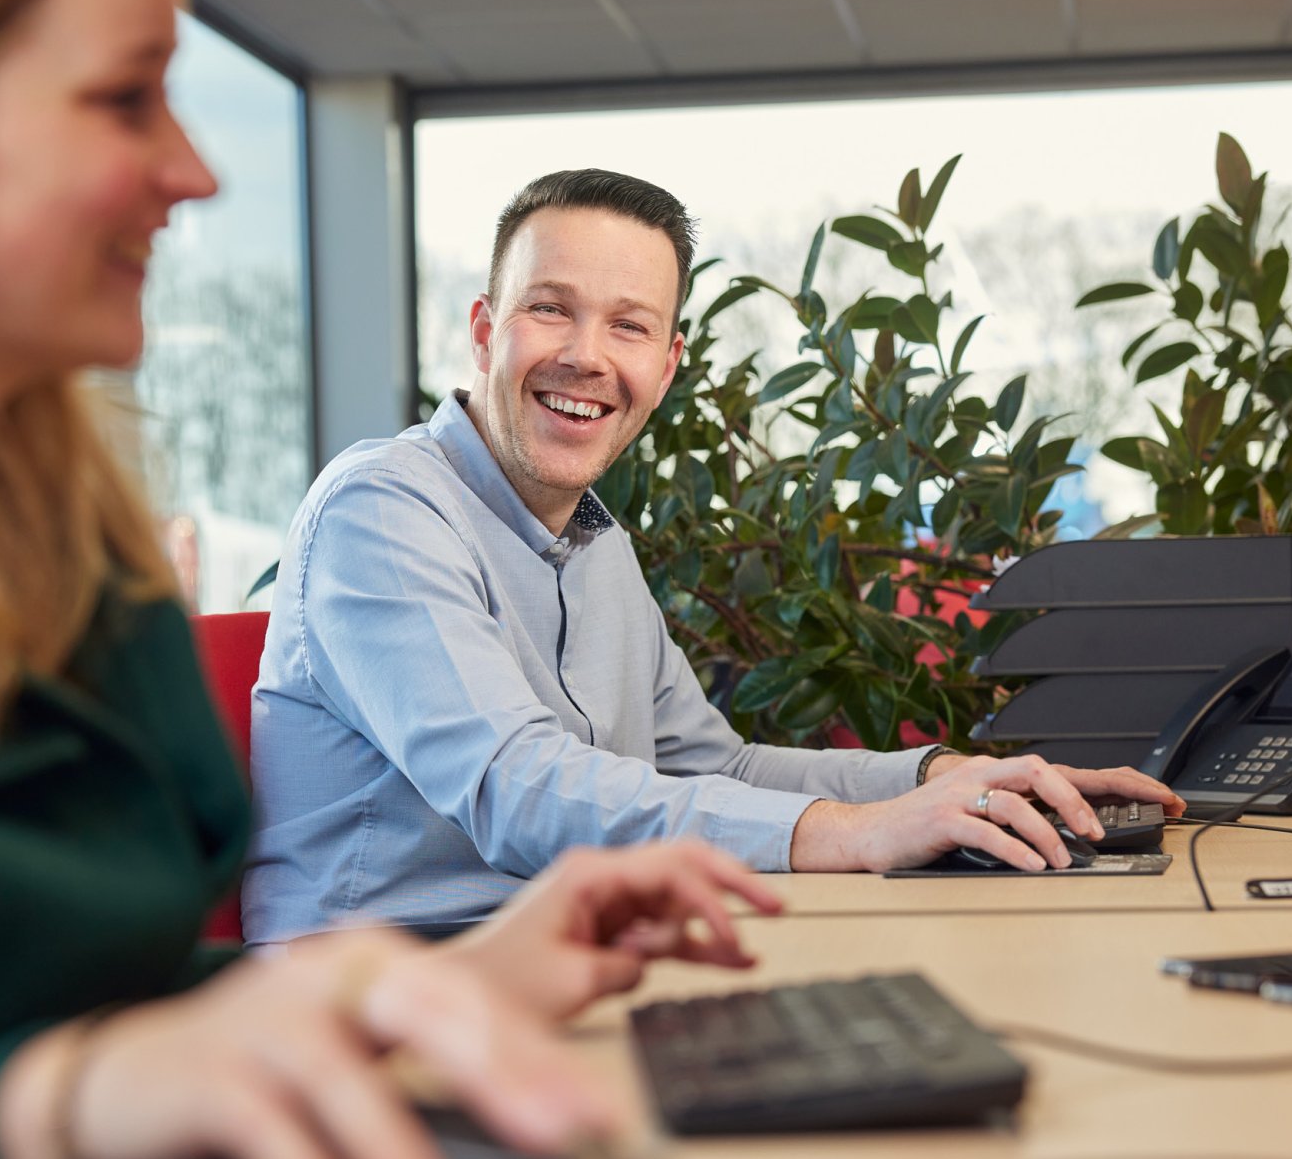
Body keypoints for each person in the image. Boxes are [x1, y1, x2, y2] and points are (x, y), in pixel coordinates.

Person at [0, 0, 785, 1159]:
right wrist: (62, 1110)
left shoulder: (48, 532)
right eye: (125, 100)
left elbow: (52, 985)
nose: (195, 171)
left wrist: (415, 988)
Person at [246, 168, 1184, 944]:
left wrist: (940, 782)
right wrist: (850, 834)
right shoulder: (384, 508)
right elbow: (515, 786)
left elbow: (716, 772)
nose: (586, 355)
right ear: (487, 331)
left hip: (558, 966)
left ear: (667, 364)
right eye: (550, 309)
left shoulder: (594, 546)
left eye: (629, 325)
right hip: (372, 1008)